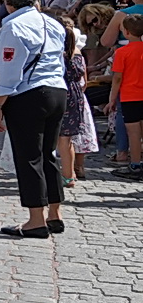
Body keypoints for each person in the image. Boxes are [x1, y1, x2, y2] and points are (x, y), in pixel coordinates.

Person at [0, 0, 68, 239]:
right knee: (49, 154)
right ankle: (55, 214)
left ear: (7, 2)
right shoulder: (53, 23)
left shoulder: (13, 28)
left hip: (30, 93)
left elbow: (10, 72)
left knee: (29, 157)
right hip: (57, 89)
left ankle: (36, 220)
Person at [107, 14, 143, 181]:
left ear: (126, 33)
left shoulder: (122, 52)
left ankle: (135, 164)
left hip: (130, 96)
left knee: (134, 133)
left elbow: (117, 78)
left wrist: (112, 99)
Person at [59, 20, 96, 187]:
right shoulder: (78, 52)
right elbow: (84, 81)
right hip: (76, 94)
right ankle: (70, 174)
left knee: (54, 137)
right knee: (68, 139)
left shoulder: (58, 54)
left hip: (59, 92)